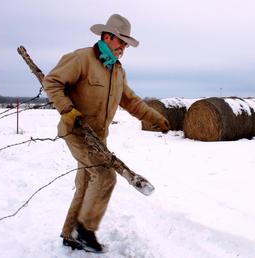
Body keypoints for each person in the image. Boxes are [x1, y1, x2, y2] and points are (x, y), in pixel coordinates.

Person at [42, 14, 170, 253]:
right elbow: (52, 82)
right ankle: (85, 231)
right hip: (76, 132)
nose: (123, 48)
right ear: (107, 36)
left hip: (98, 137)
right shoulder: (81, 58)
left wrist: (155, 117)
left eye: (126, 44)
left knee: (86, 183)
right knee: (104, 177)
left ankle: (70, 233)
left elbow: (131, 101)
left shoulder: (117, 71)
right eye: (121, 41)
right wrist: (67, 110)